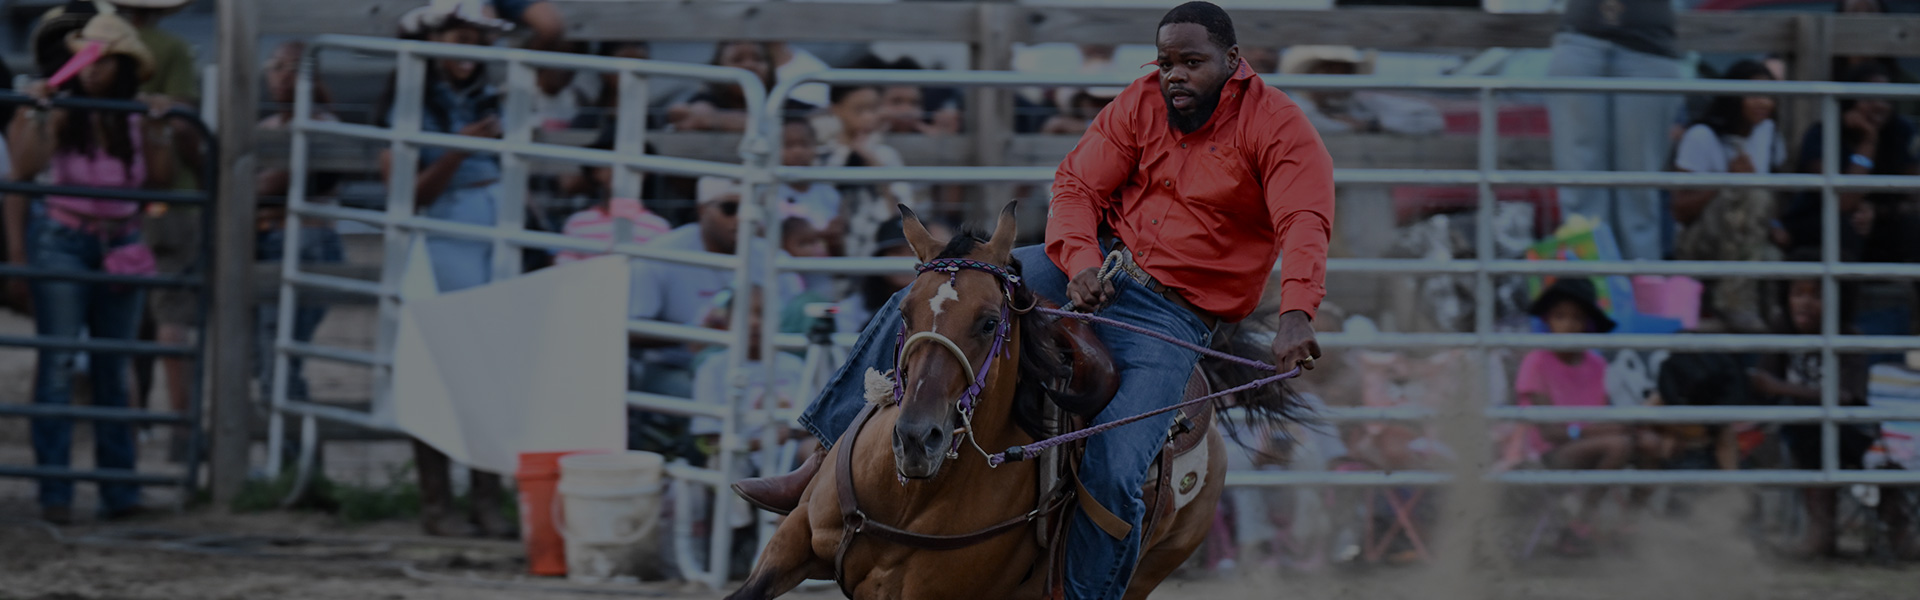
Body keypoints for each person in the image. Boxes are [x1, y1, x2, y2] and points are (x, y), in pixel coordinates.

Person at [734, 4, 1333, 597]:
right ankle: (819, 461)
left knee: (1116, 468)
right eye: (1166, 62)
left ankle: (1081, 593)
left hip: (1173, 312)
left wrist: (1296, 313)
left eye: (1192, 62)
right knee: (934, 295)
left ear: (1233, 60)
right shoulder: (1142, 100)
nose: (1175, 74)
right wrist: (1082, 260)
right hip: (1091, 262)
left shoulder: (1277, 125)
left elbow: (1303, 219)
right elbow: (1076, 185)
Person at [5, 12, 176, 525]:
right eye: (86, 59)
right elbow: (26, 168)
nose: (92, 69)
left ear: (122, 66)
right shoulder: (63, 109)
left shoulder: (134, 117)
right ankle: (57, 491)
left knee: (111, 368)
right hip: (66, 237)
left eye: (102, 60)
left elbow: (160, 182)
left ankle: (116, 490)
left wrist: (159, 129)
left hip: (118, 239)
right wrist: (38, 114)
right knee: (59, 364)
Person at [378, 1, 516, 538]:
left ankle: (485, 499)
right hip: (441, 244)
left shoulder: (486, 96)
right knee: (439, 372)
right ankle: (438, 504)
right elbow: (407, 194)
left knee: (490, 374)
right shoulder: (410, 104)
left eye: (477, 36)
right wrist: (462, 149)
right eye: (459, 34)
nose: (470, 47)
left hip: (488, 240)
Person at [1749, 249, 1912, 559]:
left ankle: (1897, 527)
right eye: (1797, 293)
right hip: (1803, 432)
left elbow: (1845, 396)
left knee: (1873, 455)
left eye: (1816, 295)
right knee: (1807, 434)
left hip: (1853, 432)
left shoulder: (1849, 336)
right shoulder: (1783, 332)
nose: (1804, 303)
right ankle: (1820, 529)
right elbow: (1762, 380)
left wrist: (1781, 387)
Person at [625, 176, 802, 458]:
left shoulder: (772, 257)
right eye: (730, 209)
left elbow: (797, 317)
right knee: (710, 399)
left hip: (763, 366)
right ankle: (705, 467)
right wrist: (692, 333)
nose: (742, 219)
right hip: (679, 367)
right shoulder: (660, 253)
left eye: (751, 210)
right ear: (701, 210)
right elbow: (630, 329)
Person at [1514, 278, 1663, 554]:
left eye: (1577, 318)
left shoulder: (1596, 364)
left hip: (1593, 445)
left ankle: (1628, 525)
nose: (1568, 325)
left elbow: (1599, 419)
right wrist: (1594, 431)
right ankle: (1578, 527)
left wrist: (1613, 428)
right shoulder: (1536, 362)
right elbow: (1549, 432)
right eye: (1560, 316)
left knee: (1651, 443)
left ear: (1587, 324)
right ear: (1548, 321)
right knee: (1618, 443)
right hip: (1549, 454)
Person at [1545, 0, 1683, 261]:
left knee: (1639, 191)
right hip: (1580, 40)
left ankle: (1639, 283)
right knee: (1579, 191)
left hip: (1648, 47)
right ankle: (1587, 284)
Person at [1669, 60, 1786, 333]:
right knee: (1753, 196)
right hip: (1699, 241)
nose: (1763, 103)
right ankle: (1734, 301)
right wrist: (1726, 182)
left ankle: (1772, 320)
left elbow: (1775, 198)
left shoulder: (1769, 134)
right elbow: (1679, 209)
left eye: (1769, 96)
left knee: (1773, 256)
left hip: (1748, 237)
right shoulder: (1701, 136)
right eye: (1754, 94)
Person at [1780, 62, 1919, 266]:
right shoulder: (1822, 134)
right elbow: (1844, 201)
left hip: (1879, 221)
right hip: (1820, 222)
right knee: (1848, 224)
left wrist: (1875, 210)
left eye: (1886, 99)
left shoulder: (1901, 132)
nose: (1880, 105)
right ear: (1851, 100)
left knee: (1912, 225)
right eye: (1869, 98)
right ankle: (1844, 287)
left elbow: (1914, 195)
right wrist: (1868, 142)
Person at [815, 83, 915, 261]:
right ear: (836, 110)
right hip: (832, 252)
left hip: (879, 252)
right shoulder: (822, 157)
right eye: (859, 109)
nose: (869, 116)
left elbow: (902, 211)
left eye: (874, 109)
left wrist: (874, 164)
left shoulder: (887, 155)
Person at [1280, 45, 1443, 136]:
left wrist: (1373, 125)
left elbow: (1431, 121)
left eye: (1344, 72)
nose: (1337, 79)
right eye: (1328, 72)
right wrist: (1355, 127)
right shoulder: (1296, 112)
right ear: (1310, 75)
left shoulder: (1367, 105)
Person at [668, 41, 774, 133]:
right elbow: (684, 114)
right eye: (737, 60)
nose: (749, 65)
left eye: (758, 59)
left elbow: (782, 127)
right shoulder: (707, 99)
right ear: (718, 68)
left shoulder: (778, 102)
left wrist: (714, 119)